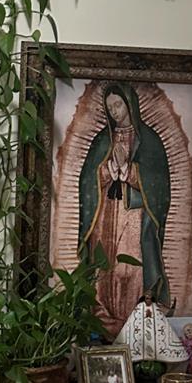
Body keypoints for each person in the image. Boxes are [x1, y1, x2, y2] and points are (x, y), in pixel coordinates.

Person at [77, 81, 171, 335]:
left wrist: (130, 172)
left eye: (118, 105)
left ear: (130, 104)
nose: (115, 112)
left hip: (134, 215)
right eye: (110, 108)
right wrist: (107, 170)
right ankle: (104, 318)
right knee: (105, 264)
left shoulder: (149, 140)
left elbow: (160, 184)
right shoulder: (102, 140)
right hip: (106, 214)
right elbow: (87, 178)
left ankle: (133, 318)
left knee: (130, 266)